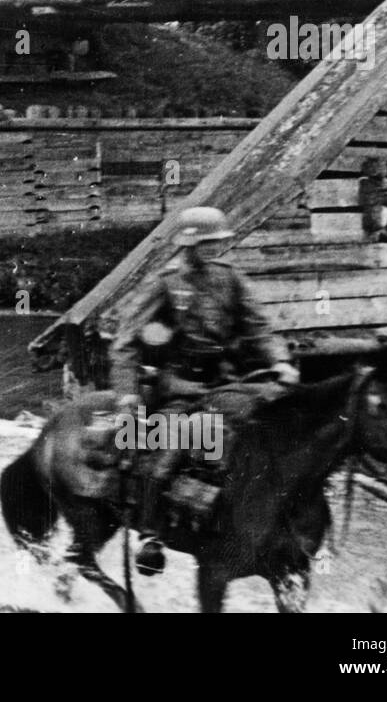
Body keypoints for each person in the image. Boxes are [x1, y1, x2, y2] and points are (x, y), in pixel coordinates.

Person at [109, 206, 299, 574]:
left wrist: (280, 362)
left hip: (229, 382)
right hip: (179, 387)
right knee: (170, 448)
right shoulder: (165, 283)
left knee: (279, 421)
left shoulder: (231, 279)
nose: (213, 250)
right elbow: (126, 343)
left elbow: (260, 328)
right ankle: (151, 536)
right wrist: (127, 394)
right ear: (188, 244)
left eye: (218, 243)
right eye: (206, 243)